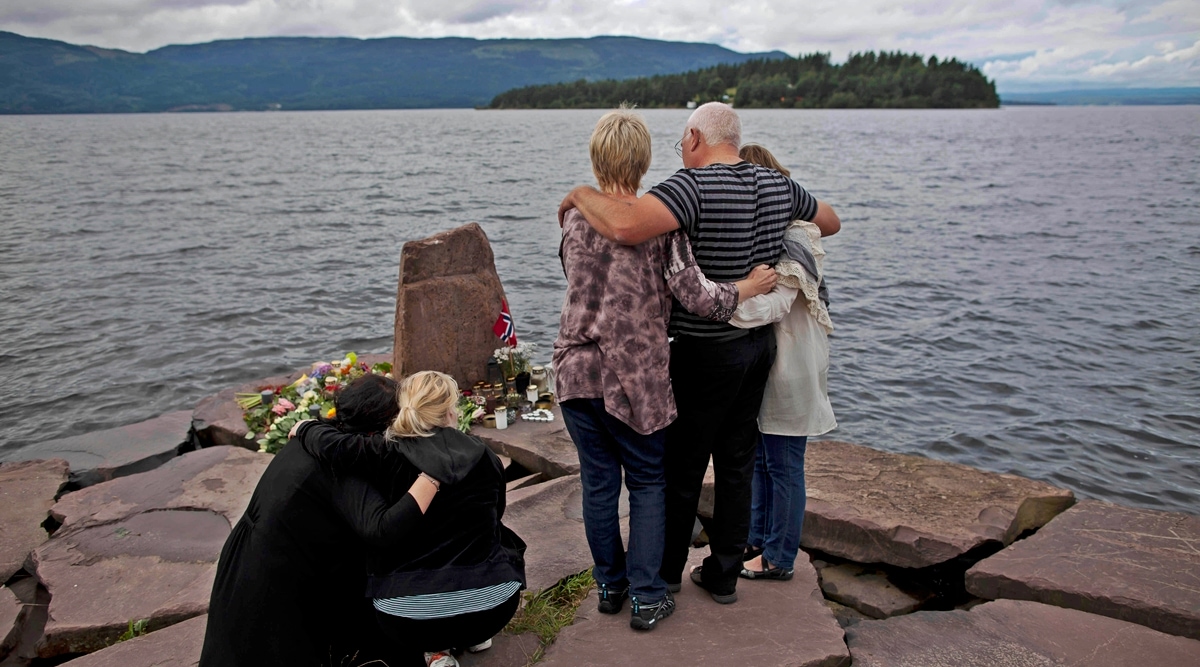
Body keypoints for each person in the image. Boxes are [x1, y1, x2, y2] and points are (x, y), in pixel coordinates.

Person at [559, 102, 840, 604]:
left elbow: (623, 229)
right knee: (736, 462)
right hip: (754, 347)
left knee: (674, 470)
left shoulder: (681, 192)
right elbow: (831, 222)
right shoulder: (779, 186)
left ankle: (650, 578)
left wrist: (581, 193)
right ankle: (723, 573)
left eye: (681, 144)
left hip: (685, 353)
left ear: (694, 138)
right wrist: (761, 275)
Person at [294, 370, 526, 667]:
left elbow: (333, 445)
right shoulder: (485, 457)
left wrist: (304, 427)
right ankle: (473, 630)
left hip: (407, 619)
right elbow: (497, 513)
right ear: (451, 411)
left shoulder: (384, 453)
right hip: (495, 608)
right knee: (496, 533)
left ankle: (436, 650)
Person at [200, 373, 418, 667]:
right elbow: (380, 530)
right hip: (279, 579)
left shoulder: (318, 437)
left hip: (251, 558)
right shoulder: (343, 463)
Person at [731, 144, 838, 581]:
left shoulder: (796, 238)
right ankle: (756, 543)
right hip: (770, 364)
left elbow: (776, 304)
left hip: (791, 366)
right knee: (761, 461)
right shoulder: (767, 237)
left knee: (784, 464)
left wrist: (721, 305)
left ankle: (779, 557)